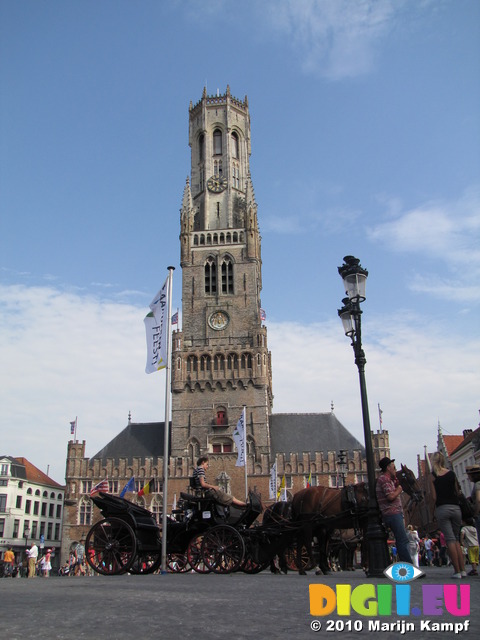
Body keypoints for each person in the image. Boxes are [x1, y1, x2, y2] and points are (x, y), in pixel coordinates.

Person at [430, 451, 465, 579]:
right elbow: (457, 491)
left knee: (449, 540)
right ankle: (463, 569)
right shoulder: (451, 474)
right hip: (456, 508)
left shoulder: (433, 476)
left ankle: (457, 571)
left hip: (443, 508)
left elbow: (434, 497)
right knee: (456, 539)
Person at [375, 457, 411, 563]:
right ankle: (409, 567)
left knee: (402, 540)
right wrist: (399, 489)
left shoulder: (388, 480)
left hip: (393, 513)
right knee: (402, 540)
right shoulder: (384, 479)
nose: (395, 470)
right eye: (393, 467)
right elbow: (390, 496)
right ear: (388, 468)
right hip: (392, 513)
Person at [466, 464, 480, 544]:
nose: (468, 477)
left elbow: (478, 499)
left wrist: (476, 513)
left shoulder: (478, 484)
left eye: (469, 475)